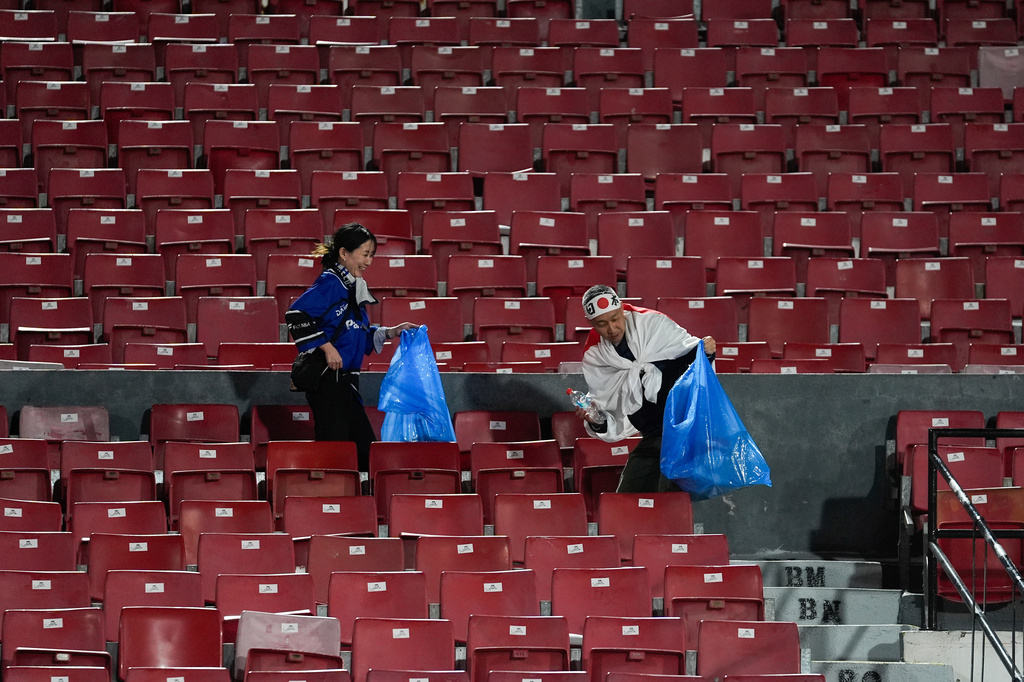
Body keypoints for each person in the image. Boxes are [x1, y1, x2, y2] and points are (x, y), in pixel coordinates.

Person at [285, 223, 418, 470]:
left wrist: (391, 332)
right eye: (364, 254)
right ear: (344, 253)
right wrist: (326, 347)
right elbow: (296, 314)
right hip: (328, 382)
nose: (368, 261)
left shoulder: (353, 287)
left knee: (362, 452)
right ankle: (329, 502)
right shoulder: (331, 282)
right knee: (337, 453)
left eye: (371, 256)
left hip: (345, 384)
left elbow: (356, 334)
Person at [576, 284, 716, 493]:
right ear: (590, 323)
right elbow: (609, 409)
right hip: (653, 437)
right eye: (602, 324)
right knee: (627, 504)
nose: (612, 329)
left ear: (622, 309)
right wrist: (596, 420)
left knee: (672, 504)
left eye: (615, 318)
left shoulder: (653, 323)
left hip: (686, 432)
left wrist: (706, 352)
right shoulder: (595, 357)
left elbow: (689, 357)